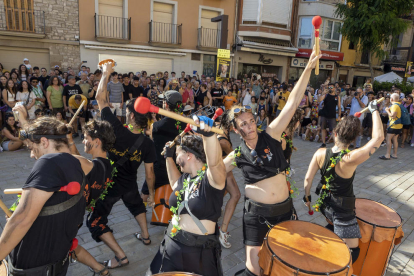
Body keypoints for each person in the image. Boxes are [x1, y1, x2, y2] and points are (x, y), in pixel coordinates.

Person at [222, 46, 321, 276]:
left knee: (284, 264)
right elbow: (212, 173)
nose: (249, 126)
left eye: (251, 120)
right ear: (237, 131)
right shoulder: (236, 156)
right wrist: (205, 141)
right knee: (253, 269)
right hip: (256, 216)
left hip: (285, 211)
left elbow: (292, 102)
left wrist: (307, 67)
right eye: (243, 124)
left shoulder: (272, 134)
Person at [0, 106, 85, 276]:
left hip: (33, 266)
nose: (32, 155)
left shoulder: (49, 162)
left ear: (45, 142)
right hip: (56, 262)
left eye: (32, 148)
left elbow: (21, 220)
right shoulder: (77, 163)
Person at [92, 61, 156, 268]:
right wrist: (152, 194)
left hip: (109, 184)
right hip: (129, 184)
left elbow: (100, 98)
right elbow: (149, 173)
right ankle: (145, 236)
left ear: (130, 115)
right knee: (136, 205)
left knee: (95, 221)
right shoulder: (148, 143)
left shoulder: (116, 129)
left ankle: (120, 256)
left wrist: (105, 73)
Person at [304, 100, 383, 264]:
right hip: (342, 210)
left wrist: (307, 199)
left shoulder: (320, 152)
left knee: (333, 227)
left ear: (335, 133)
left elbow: (307, 180)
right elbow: (378, 138)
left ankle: (330, 236)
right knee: (353, 251)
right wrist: (374, 110)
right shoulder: (351, 158)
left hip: (325, 204)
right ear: (354, 139)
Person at [148, 117, 226, 276]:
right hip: (171, 245)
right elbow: (175, 185)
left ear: (189, 155)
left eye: (178, 154)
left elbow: (215, 163)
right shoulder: (186, 178)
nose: (177, 160)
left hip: (198, 254)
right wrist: (169, 157)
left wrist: (209, 136)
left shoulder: (211, 180)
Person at [66, 119, 116, 276]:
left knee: (65, 245)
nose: (83, 141)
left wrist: (61, 139)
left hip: (71, 216)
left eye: (86, 138)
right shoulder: (107, 165)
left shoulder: (87, 164)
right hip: (79, 215)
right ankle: (100, 269)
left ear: (96, 141)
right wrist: (69, 140)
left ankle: (100, 269)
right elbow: (83, 164)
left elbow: (63, 159)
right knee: (67, 245)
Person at [141, 90, 186, 202]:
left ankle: (142, 213)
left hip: (159, 169)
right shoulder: (186, 125)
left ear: (166, 104)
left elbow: (152, 141)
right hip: (179, 168)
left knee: (144, 196)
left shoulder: (156, 126)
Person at [217, 111, 241, 248]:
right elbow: (236, 156)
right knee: (236, 195)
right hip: (224, 170)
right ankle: (223, 231)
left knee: (223, 193)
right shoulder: (224, 141)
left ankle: (212, 211)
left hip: (222, 169)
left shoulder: (219, 129)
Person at [379, 93, 403, 160]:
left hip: (394, 125)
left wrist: (387, 111)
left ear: (391, 99)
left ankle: (387, 155)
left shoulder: (395, 106)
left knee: (388, 138)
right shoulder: (399, 105)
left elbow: (393, 116)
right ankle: (394, 154)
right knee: (395, 139)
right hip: (399, 125)